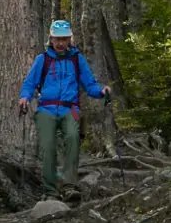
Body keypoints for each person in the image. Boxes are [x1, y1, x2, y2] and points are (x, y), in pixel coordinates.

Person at [15, 20, 110, 199]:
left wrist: (101, 91)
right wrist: (24, 97)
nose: (60, 43)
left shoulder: (76, 59)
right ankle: (50, 191)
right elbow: (29, 83)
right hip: (46, 108)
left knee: (73, 139)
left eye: (64, 39)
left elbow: (90, 84)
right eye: (57, 39)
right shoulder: (42, 59)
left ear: (69, 40)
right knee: (48, 146)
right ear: (50, 39)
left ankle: (69, 186)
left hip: (69, 108)